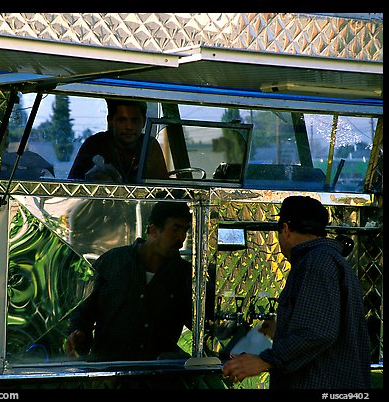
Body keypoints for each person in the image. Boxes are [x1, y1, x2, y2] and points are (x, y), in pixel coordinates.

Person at [222, 196, 371, 389]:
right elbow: (324, 323)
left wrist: (266, 361)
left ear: (285, 229)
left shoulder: (316, 262)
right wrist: (284, 329)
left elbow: (317, 332)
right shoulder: (327, 260)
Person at [65, 201, 193, 361]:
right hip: (110, 370)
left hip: (158, 375)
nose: (181, 238)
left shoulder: (185, 274)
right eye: (175, 229)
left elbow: (198, 323)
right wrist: (78, 333)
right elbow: (84, 309)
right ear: (153, 230)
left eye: (185, 230)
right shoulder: (113, 262)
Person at [67, 99, 169, 183]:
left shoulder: (149, 146)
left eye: (135, 120)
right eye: (122, 120)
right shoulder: (95, 144)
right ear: (110, 121)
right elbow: (73, 185)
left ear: (144, 122)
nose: (129, 127)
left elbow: (163, 187)